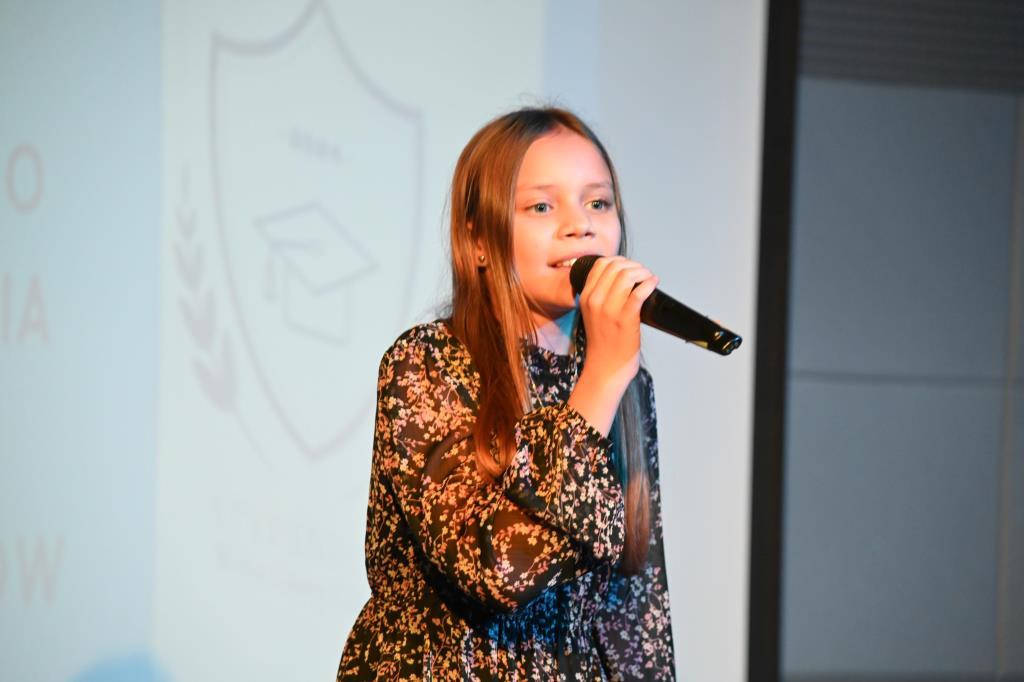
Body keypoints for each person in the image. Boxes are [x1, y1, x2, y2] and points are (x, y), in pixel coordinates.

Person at [337, 107, 675, 680]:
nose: (580, 225)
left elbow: (633, 614)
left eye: (598, 203)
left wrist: (607, 377)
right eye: (542, 206)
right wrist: (600, 382)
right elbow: (498, 573)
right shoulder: (428, 362)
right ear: (477, 239)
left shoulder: (625, 383)